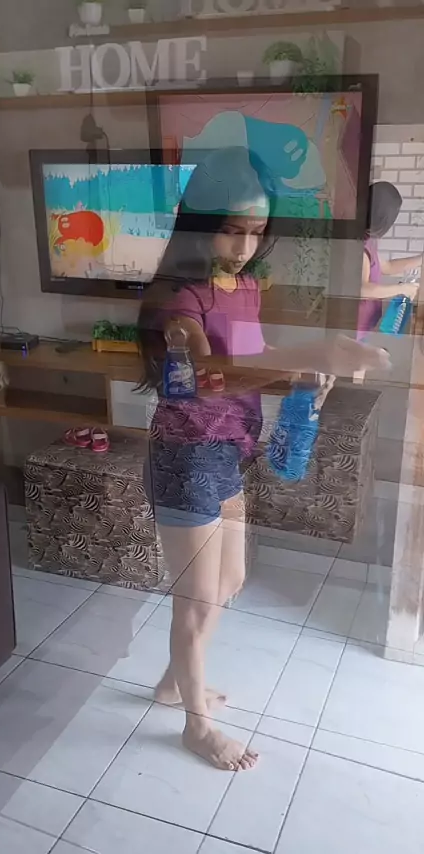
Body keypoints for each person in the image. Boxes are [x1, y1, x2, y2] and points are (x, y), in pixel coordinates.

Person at [137, 147, 389, 773]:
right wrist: (313, 351)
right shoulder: (178, 298)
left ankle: (174, 683)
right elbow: (207, 374)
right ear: (200, 222)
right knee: (197, 598)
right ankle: (196, 726)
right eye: (232, 230)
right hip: (186, 457)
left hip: (229, 451)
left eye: (256, 232)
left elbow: (251, 361)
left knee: (228, 583)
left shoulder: (244, 286)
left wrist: (303, 376)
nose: (245, 247)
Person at [359, 181, 423, 336]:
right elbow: (362, 289)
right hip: (356, 325)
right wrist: (402, 289)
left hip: (366, 324)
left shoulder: (369, 240)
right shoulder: (360, 247)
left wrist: (420, 259)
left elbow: (387, 267)